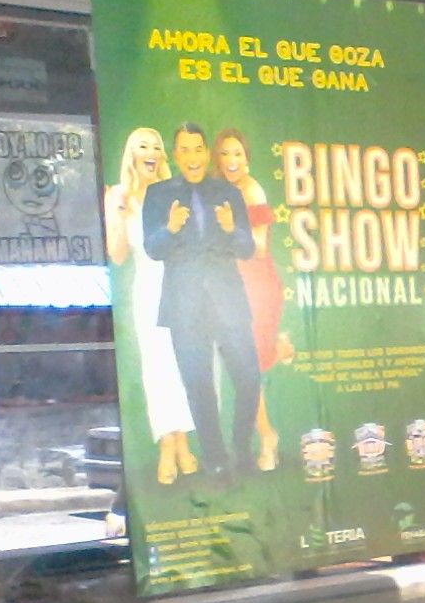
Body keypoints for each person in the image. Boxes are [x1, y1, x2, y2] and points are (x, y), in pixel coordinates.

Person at [141, 122, 260, 478]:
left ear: (206, 153)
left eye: (198, 149)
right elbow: (152, 249)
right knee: (199, 388)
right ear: (175, 155)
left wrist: (231, 228)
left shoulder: (228, 192)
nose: (192, 157)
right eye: (184, 150)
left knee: (249, 379)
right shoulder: (158, 194)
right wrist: (171, 228)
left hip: (228, 303)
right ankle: (216, 460)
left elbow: (247, 248)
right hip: (185, 307)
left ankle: (242, 448)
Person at [103, 127, 197, 485]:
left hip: (180, 286)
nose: (151, 152)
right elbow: (118, 255)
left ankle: (183, 441)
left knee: (182, 365)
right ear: (132, 154)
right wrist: (118, 216)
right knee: (157, 369)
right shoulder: (119, 196)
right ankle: (167, 445)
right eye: (143, 146)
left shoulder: (173, 193)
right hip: (147, 289)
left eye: (156, 147)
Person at [214, 127, 291, 471]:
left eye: (238, 154)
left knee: (248, 367)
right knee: (245, 366)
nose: (232, 161)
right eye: (225, 154)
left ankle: (267, 438)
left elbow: (257, 247)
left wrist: (227, 230)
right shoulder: (219, 190)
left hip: (257, 286)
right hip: (230, 287)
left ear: (247, 157)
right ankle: (280, 348)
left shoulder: (252, 190)